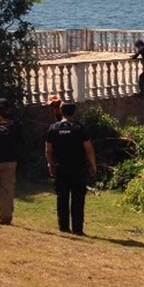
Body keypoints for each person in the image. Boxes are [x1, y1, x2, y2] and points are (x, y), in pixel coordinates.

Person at [45, 101, 97, 235]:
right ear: (74, 112)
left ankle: (63, 227)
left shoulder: (54, 128)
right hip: (78, 168)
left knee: (62, 197)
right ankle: (77, 229)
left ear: (61, 111)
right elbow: (88, 148)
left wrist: (50, 164)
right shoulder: (79, 128)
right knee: (78, 199)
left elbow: (48, 150)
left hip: (60, 168)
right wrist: (93, 164)